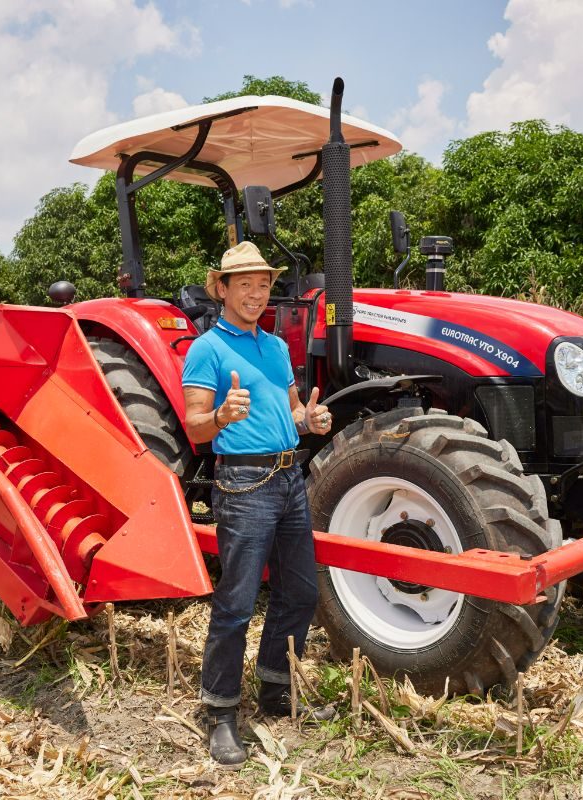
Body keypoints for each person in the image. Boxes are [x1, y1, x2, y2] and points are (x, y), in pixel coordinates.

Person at [181, 240, 334, 768]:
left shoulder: (274, 348)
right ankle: (220, 712)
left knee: (300, 593)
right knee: (237, 602)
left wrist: (310, 422)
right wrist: (221, 415)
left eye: (263, 283)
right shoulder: (207, 349)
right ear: (221, 288)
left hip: (289, 479)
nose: (255, 292)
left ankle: (275, 690)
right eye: (243, 283)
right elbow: (195, 426)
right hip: (244, 484)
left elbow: (293, 410)